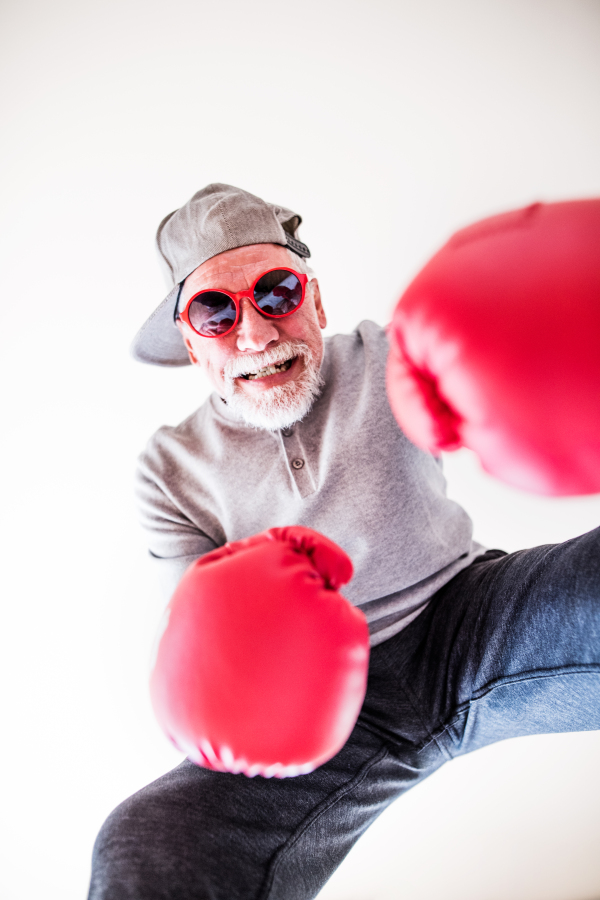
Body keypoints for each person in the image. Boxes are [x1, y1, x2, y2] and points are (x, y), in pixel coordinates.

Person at [88, 183, 600, 900]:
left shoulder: (392, 357)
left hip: (475, 617)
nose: (257, 334)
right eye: (214, 310)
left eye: (276, 292)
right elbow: (196, 648)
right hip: (325, 717)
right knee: (147, 839)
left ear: (316, 302)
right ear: (188, 341)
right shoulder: (170, 470)